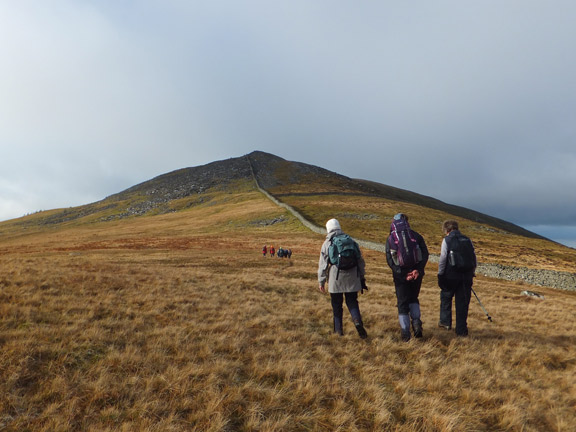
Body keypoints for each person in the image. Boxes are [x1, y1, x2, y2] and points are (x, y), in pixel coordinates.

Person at [318, 218, 368, 339]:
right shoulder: (350, 240)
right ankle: (357, 321)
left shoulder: (327, 243)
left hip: (336, 278)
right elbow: (360, 261)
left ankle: (338, 332)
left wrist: (321, 281)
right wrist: (361, 277)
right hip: (352, 276)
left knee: (336, 305)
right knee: (352, 302)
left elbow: (323, 265)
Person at [385, 213, 429, 342]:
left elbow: (389, 260)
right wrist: (418, 270)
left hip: (400, 276)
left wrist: (402, 274)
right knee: (413, 298)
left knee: (402, 302)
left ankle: (405, 333)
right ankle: (416, 324)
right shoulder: (416, 235)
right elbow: (425, 253)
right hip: (416, 274)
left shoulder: (391, 238)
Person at [437, 220, 477, 336]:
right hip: (466, 277)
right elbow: (474, 259)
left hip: (450, 276)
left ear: (446, 230)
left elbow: (443, 259)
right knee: (463, 303)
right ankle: (461, 330)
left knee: (446, 298)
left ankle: (445, 323)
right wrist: (472, 272)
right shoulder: (467, 240)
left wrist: (440, 274)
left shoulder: (447, 240)